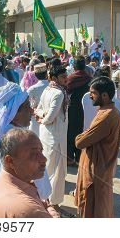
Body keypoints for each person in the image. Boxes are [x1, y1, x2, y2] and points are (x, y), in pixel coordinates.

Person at [0, 83, 51, 217]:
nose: (32, 112)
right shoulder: (22, 142)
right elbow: (42, 189)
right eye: (27, 108)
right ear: (13, 111)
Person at [0, 129, 59, 218]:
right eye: (34, 154)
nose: (44, 159)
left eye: (41, 151)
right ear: (10, 161)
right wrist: (50, 209)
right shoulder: (30, 210)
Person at [74, 76, 120, 217]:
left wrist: (81, 136)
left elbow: (80, 142)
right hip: (97, 168)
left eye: (93, 93)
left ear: (105, 95)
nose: (90, 96)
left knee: (94, 208)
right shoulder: (105, 110)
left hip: (96, 170)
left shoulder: (107, 115)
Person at [35, 65, 68, 209]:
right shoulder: (57, 93)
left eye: (66, 76)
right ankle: (53, 203)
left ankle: (46, 199)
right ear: (54, 78)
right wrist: (44, 118)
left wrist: (42, 117)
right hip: (55, 137)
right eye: (63, 77)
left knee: (49, 168)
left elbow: (39, 110)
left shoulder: (49, 90)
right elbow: (48, 115)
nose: (66, 79)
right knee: (57, 171)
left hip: (48, 133)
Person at [66, 56, 91, 166]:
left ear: (74, 66)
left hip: (72, 109)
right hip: (85, 110)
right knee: (82, 132)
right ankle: (80, 158)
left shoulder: (70, 78)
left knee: (70, 133)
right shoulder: (89, 79)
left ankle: (70, 157)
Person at [27, 63, 49, 136]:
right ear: (46, 74)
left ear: (35, 75)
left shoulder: (32, 89)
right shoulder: (53, 86)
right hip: (50, 118)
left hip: (36, 119)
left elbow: (25, 103)